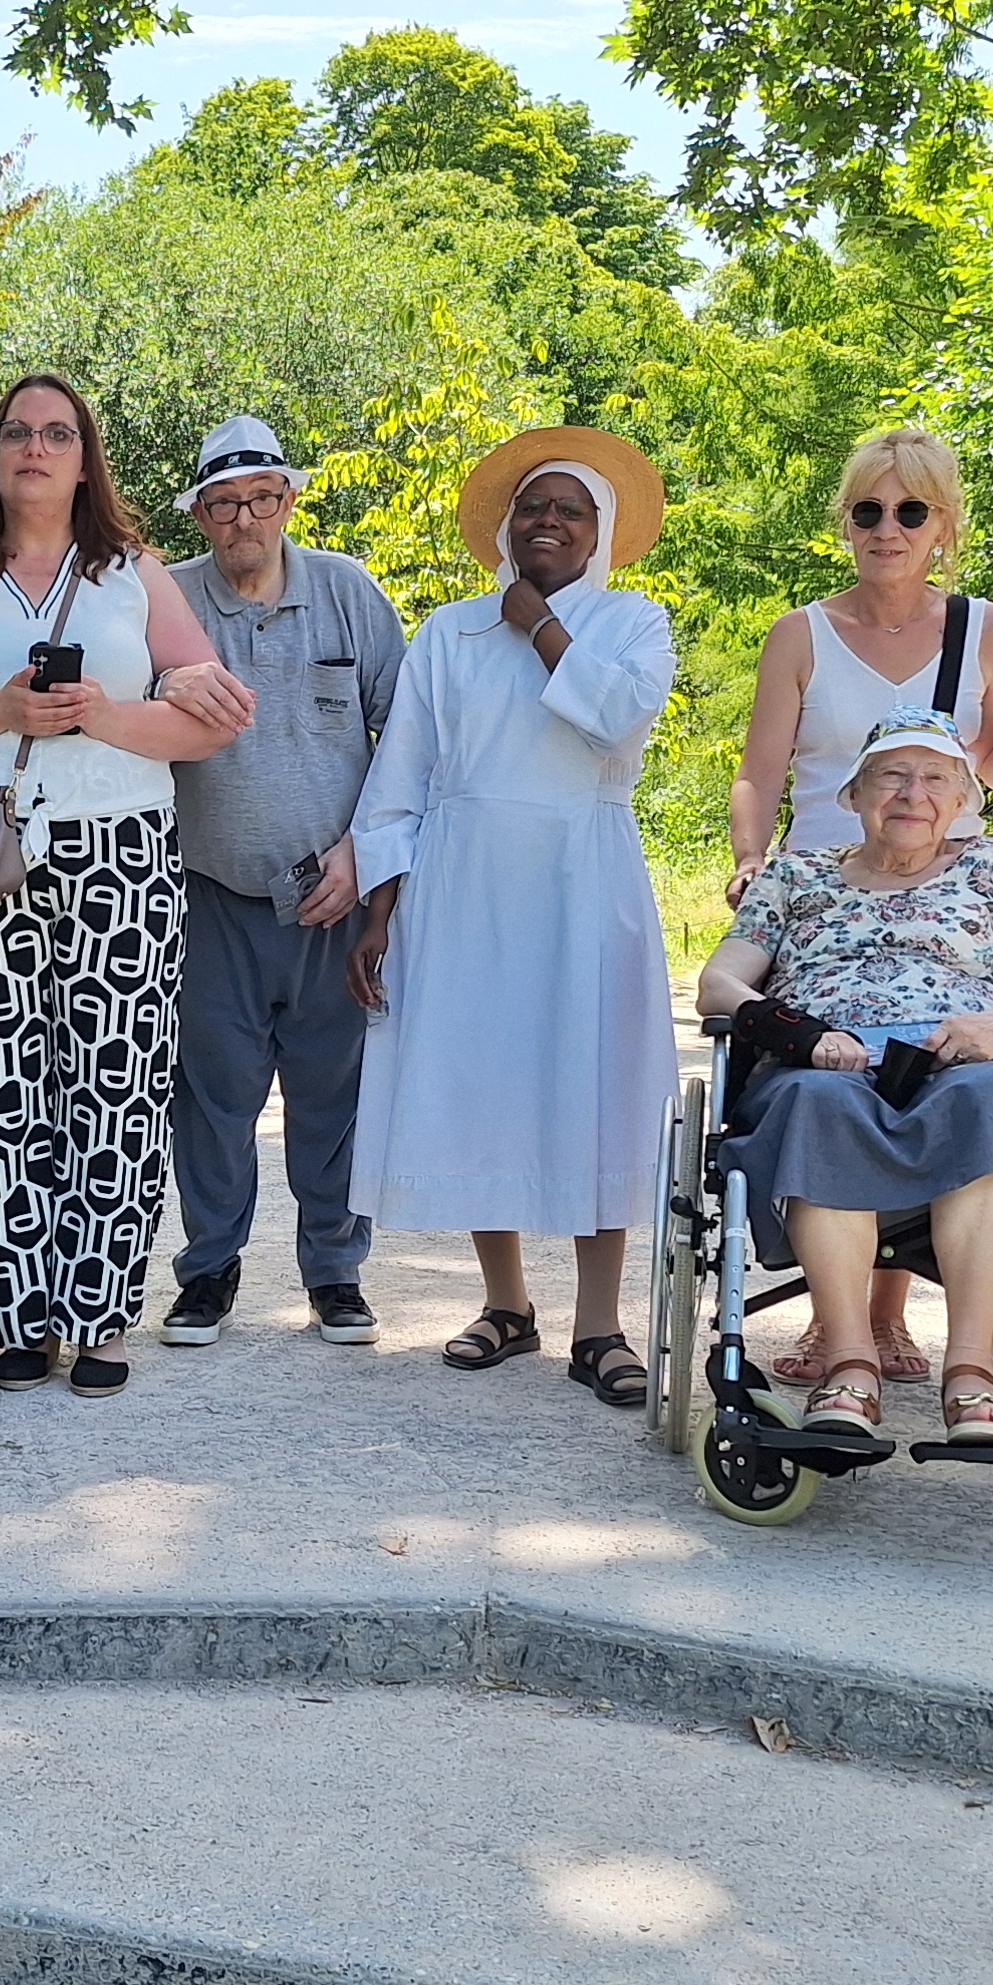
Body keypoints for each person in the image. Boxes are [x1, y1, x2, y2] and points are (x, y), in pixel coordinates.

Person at [0, 372, 251, 1396]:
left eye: (58, 432)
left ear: (86, 456)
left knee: (118, 1084)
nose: (36, 447)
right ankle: (25, 1315)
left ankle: (103, 1313)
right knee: (7, 1080)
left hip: (122, 850)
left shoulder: (137, 575)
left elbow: (214, 720)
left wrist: (98, 713)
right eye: (18, 432)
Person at [346, 428, 679, 1404]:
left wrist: (537, 625)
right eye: (532, 506)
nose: (546, 521)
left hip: (583, 880)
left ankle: (600, 1325)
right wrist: (378, 913)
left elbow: (614, 720)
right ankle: (507, 1304)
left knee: (592, 1087)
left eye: (569, 509)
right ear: (505, 525)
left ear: (599, 531)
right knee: (486, 1080)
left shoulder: (634, 623)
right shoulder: (450, 631)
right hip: (465, 886)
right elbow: (399, 779)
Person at [693, 712, 993, 1443]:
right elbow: (720, 982)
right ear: (853, 794)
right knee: (819, 1106)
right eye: (891, 775)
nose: (911, 794)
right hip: (821, 1066)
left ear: (959, 803)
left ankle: (972, 1371)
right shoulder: (797, 876)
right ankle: (851, 1363)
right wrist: (800, 1032)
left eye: (935, 779)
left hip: (964, 1060)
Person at [724, 424, 993, 1387]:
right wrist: (748, 858)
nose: (886, 528)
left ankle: (886, 1323)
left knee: (923, 1045)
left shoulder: (985, 628)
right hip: (821, 880)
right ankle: (841, 1322)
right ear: (845, 521)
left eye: (910, 510)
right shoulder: (801, 633)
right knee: (837, 1063)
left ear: (944, 523)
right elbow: (761, 770)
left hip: (941, 869)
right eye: (867, 509)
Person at [156, 412, 405, 1352]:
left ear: (289, 501)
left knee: (331, 1090)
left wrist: (363, 856)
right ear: (202, 515)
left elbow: (406, 742)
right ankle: (210, 1270)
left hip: (330, 897)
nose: (244, 520)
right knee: (213, 1094)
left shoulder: (348, 593)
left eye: (262, 498)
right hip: (208, 893)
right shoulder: (168, 604)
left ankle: (335, 1273)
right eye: (224, 504)